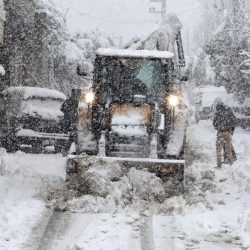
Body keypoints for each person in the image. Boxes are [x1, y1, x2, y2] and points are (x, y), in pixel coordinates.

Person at [213, 101, 237, 168]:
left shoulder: (217, 113)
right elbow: (234, 121)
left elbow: (214, 124)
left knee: (218, 151)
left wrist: (219, 128)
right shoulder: (229, 111)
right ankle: (231, 164)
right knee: (229, 150)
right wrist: (231, 130)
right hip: (227, 133)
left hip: (220, 133)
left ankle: (219, 165)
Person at [60, 89, 81, 156]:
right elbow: (62, 109)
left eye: (77, 95)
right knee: (73, 137)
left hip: (75, 122)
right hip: (70, 122)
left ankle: (68, 150)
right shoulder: (68, 101)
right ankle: (69, 150)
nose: (76, 96)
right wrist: (69, 114)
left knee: (74, 137)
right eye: (75, 94)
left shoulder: (78, 102)